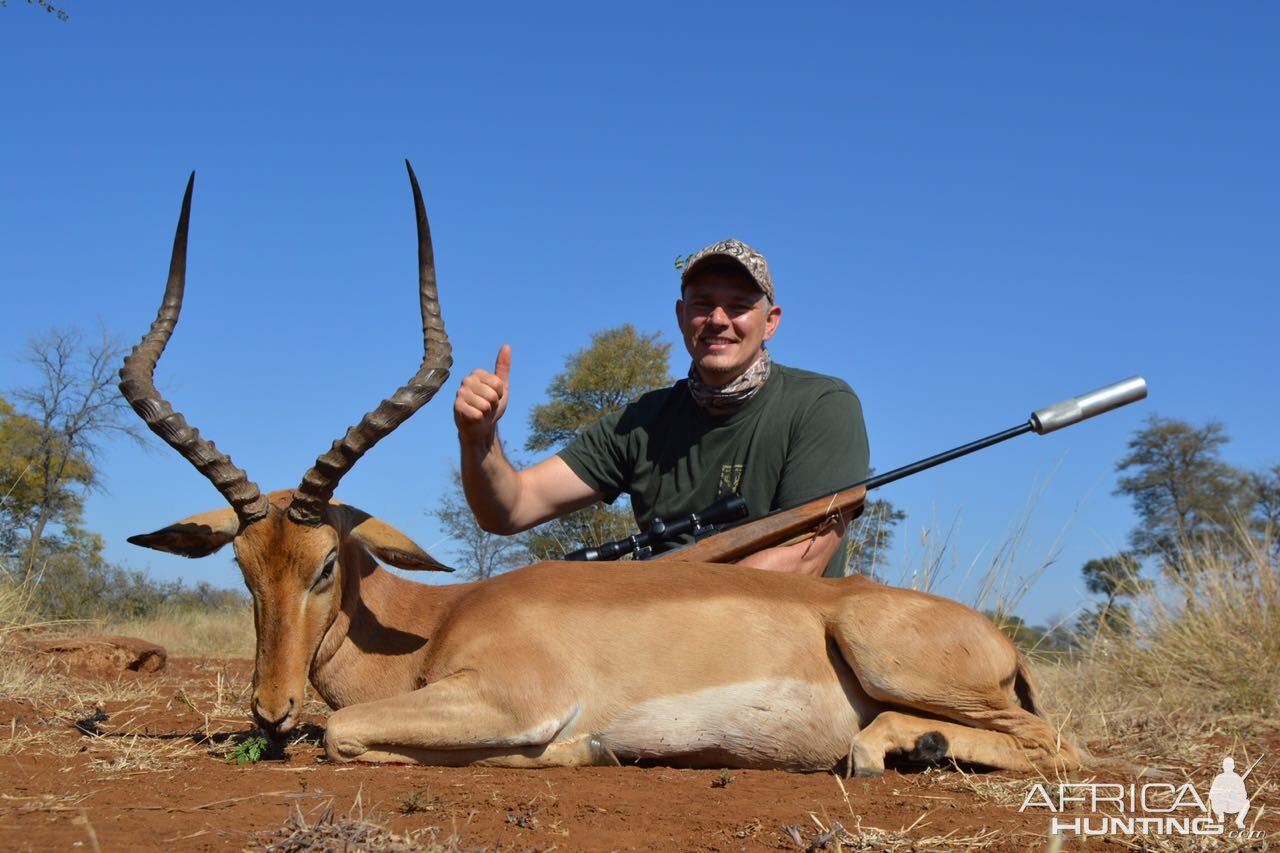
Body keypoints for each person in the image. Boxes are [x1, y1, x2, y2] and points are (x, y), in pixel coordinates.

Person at [453, 238, 870, 576]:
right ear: (681, 314)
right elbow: (509, 509)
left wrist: (653, 598)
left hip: (773, 648)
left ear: (771, 321)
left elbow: (802, 562)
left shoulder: (822, 406)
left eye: (740, 305)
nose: (719, 319)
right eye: (703, 303)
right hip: (656, 630)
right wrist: (478, 438)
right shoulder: (641, 422)